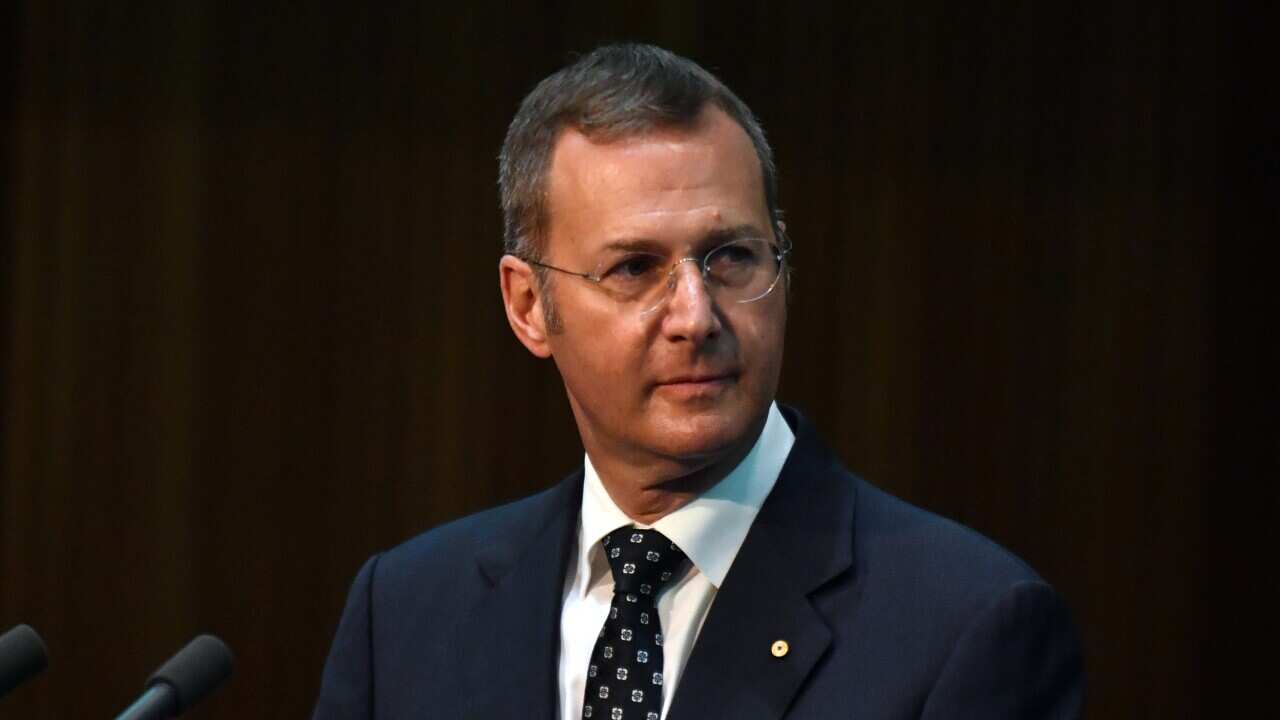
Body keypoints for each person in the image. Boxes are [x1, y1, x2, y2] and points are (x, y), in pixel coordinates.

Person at [312, 43, 1084, 719]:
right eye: (636, 268)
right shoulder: (408, 612)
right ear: (528, 307)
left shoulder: (965, 627)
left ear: (782, 266)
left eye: (731, 258)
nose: (695, 315)